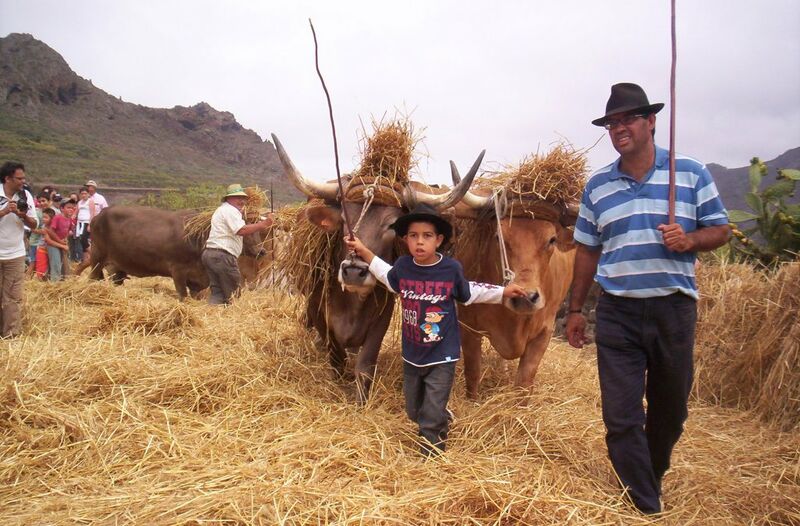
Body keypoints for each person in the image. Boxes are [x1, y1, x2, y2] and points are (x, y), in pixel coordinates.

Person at [565, 83, 731, 514]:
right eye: (612, 122)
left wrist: (689, 238)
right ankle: (646, 505)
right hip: (617, 309)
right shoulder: (597, 186)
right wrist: (576, 310)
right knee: (620, 416)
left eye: (628, 119)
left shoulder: (689, 173)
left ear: (651, 121)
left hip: (672, 309)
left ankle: (648, 476)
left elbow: (722, 229)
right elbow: (586, 250)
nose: (619, 128)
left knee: (670, 412)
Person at [345, 203, 527, 456]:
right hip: (412, 354)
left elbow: (469, 292)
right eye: (413, 236)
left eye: (427, 236)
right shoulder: (404, 267)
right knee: (413, 409)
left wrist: (502, 292)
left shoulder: (451, 269)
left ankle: (432, 452)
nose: (420, 242)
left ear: (439, 240)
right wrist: (363, 250)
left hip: (442, 354)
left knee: (430, 415)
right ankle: (439, 414)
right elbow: (386, 275)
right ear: (406, 240)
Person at [201, 184, 272, 305]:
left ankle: (213, 317)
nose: (241, 201)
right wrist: (264, 224)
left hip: (210, 254)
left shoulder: (221, 210)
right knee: (234, 294)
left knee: (218, 292)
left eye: (243, 198)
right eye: (237, 197)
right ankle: (229, 319)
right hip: (223, 257)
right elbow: (241, 230)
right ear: (228, 199)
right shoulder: (230, 211)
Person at [0, 161, 38, 338]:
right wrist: (4, 211)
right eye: (19, 178)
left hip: (16, 254)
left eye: (24, 178)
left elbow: (34, 223)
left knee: (13, 297)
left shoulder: (26, 196)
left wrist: (21, 215)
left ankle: (10, 334)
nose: (23, 181)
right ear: (8, 178)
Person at [48, 202, 72, 279]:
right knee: (56, 263)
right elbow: (51, 231)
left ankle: (61, 280)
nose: (71, 209)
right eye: (68, 207)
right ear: (62, 209)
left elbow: (68, 231)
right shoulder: (57, 217)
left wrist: (65, 239)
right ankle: (54, 283)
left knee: (64, 263)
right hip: (53, 244)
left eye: (72, 208)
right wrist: (61, 242)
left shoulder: (69, 219)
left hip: (62, 243)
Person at [76, 186, 92, 262]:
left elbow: (92, 213)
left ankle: (93, 254)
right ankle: (85, 259)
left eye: (85, 193)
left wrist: (90, 224)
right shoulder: (79, 202)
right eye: (82, 194)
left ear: (88, 194)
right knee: (81, 240)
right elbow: (76, 212)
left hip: (86, 222)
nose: (83, 195)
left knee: (84, 239)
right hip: (79, 222)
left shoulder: (90, 201)